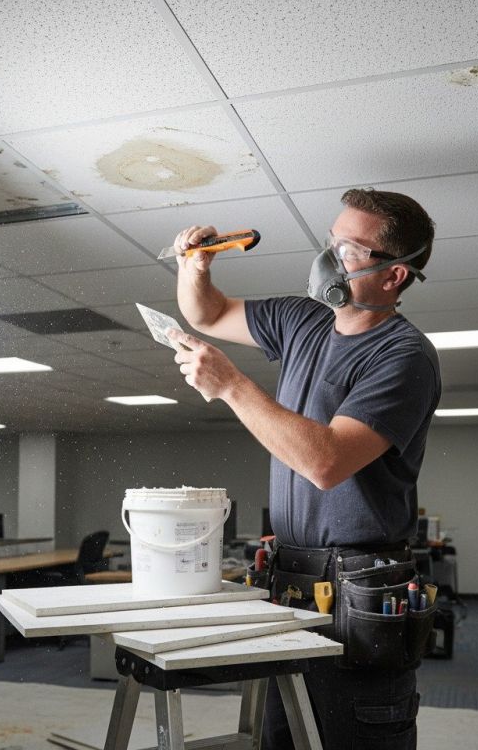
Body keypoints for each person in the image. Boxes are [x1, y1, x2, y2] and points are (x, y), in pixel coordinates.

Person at [168, 188, 441, 750]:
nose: (329, 258)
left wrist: (232, 386)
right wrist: (193, 267)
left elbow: (326, 461)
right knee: (282, 732)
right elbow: (207, 312)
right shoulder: (302, 320)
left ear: (394, 276)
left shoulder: (404, 356)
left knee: (349, 730)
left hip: (361, 585)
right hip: (290, 574)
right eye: (331, 240)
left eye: (350, 249)